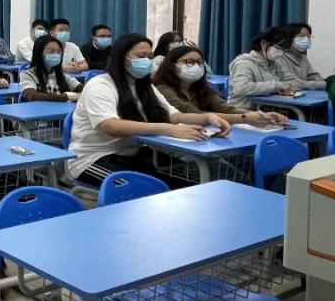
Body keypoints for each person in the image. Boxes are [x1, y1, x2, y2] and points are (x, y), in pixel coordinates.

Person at [68, 34, 231, 186]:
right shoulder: (100, 85)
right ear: (121, 58)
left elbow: (175, 116)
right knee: (152, 188)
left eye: (150, 57)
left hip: (135, 153)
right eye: (141, 56)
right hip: (92, 158)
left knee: (186, 180)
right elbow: (111, 126)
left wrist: (207, 118)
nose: (147, 61)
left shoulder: (145, 86)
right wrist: (168, 129)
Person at [154, 46, 287, 126]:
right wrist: (245, 119)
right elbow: (194, 114)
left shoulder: (201, 89)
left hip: (205, 135)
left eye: (200, 62)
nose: (196, 66)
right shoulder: (162, 89)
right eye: (189, 62)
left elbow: (225, 108)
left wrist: (259, 115)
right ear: (172, 65)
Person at [227, 27, 299, 109]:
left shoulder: (274, 63)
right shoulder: (244, 63)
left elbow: (289, 80)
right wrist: (276, 86)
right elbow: (242, 88)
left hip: (266, 108)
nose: (281, 53)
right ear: (264, 44)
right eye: (278, 48)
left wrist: (287, 87)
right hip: (242, 110)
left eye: (284, 50)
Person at [19, 35, 83, 102]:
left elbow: (84, 89)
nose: (56, 54)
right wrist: (67, 97)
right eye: (51, 51)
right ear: (39, 53)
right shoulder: (28, 74)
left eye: (59, 51)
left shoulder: (62, 76)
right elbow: (32, 95)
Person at [275, 22, 325, 90]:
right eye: (301, 36)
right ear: (289, 38)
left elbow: (313, 76)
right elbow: (295, 83)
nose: (306, 39)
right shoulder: (279, 57)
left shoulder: (303, 58)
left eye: (308, 37)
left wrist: (329, 82)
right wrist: (324, 85)